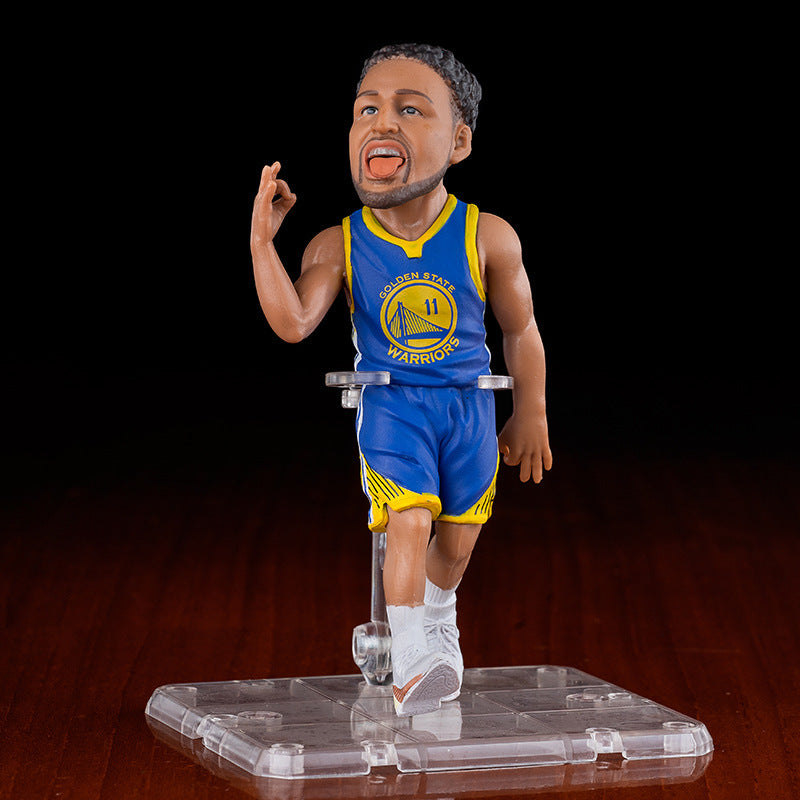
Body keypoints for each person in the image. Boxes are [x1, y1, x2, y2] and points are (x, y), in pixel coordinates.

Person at [251, 43, 552, 716]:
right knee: (407, 518)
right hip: (394, 405)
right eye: (367, 109)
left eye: (410, 109)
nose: (382, 122)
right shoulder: (339, 243)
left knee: (458, 540)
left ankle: (437, 620)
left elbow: (522, 330)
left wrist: (530, 411)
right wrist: (262, 246)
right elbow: (294, 323)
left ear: (459, 141)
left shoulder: (488, 236)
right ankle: (412, 660)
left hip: (468, 407)